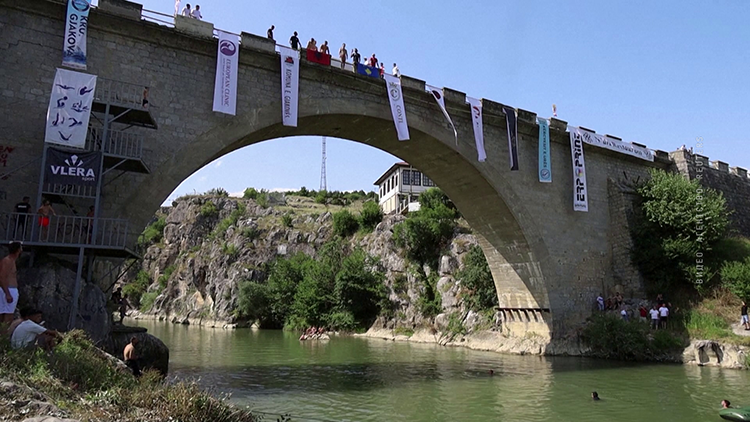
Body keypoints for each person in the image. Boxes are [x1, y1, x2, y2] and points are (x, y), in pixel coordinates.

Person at [0, 242, 22, 326]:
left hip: (7, 289)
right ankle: (4, 335)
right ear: (18, 250)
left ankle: (2, 335)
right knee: (8, 315)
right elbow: (2, 276)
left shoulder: (11, 261)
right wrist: (7, 293)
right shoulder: (8, 261)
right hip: (8, 289)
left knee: (3, 313)